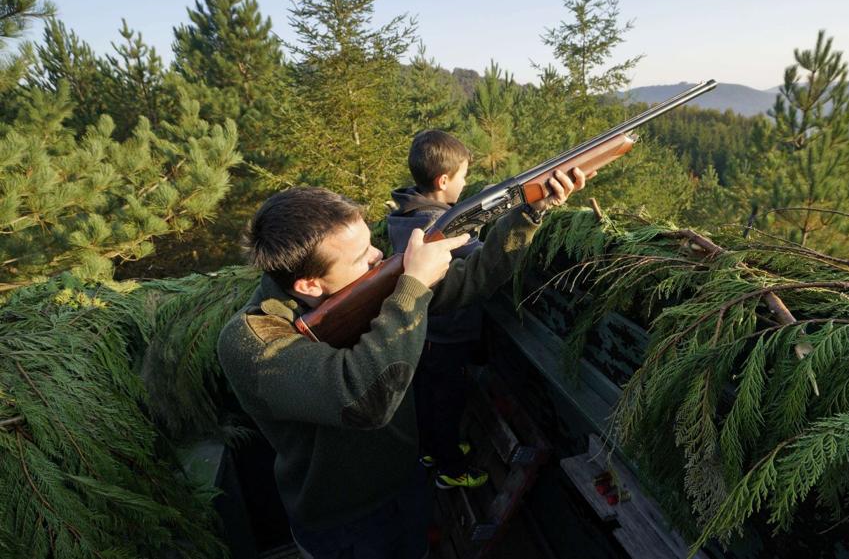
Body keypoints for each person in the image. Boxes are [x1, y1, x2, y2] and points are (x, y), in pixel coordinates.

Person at [216, 166, 588, 559]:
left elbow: (474, 278)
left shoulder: (360, 286)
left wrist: (530, 212)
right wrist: (412, 286)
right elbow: (364, 399)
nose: (379, 256)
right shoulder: (252, 341)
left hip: (407, 482)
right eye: (362, 256)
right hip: (345, 523)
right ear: (309, 285)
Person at [387, 130, 486, 489]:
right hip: (447, 333)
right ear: (444, 181)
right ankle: (451, 468)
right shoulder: (437, 225)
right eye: (463, 176)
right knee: (447, 400)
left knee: (428, 396)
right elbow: (480, 260)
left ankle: (431, 449)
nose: (466, 183)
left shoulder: (406, 215)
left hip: (423, 332)